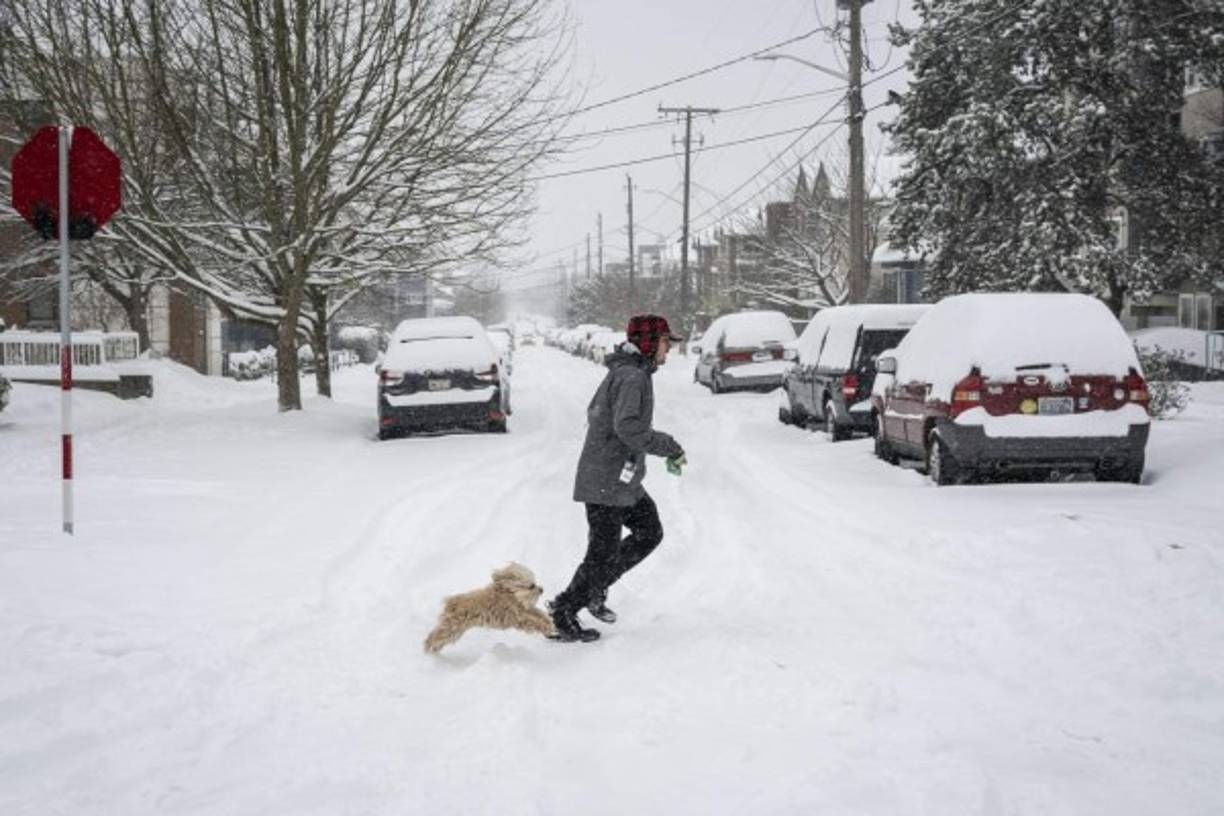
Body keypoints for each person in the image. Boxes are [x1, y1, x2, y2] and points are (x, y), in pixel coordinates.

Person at [550, 314, 687, 643]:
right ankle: (565, 609)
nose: (670, 350)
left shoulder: (631, 372)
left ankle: (595, 589)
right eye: (666, 343)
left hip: (618, 480)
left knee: (648, 531)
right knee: (603, 552)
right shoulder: (631, 377)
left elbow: (599, 414)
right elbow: (629, 428)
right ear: (650, 344)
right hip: (606, 482)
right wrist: (669, 447)